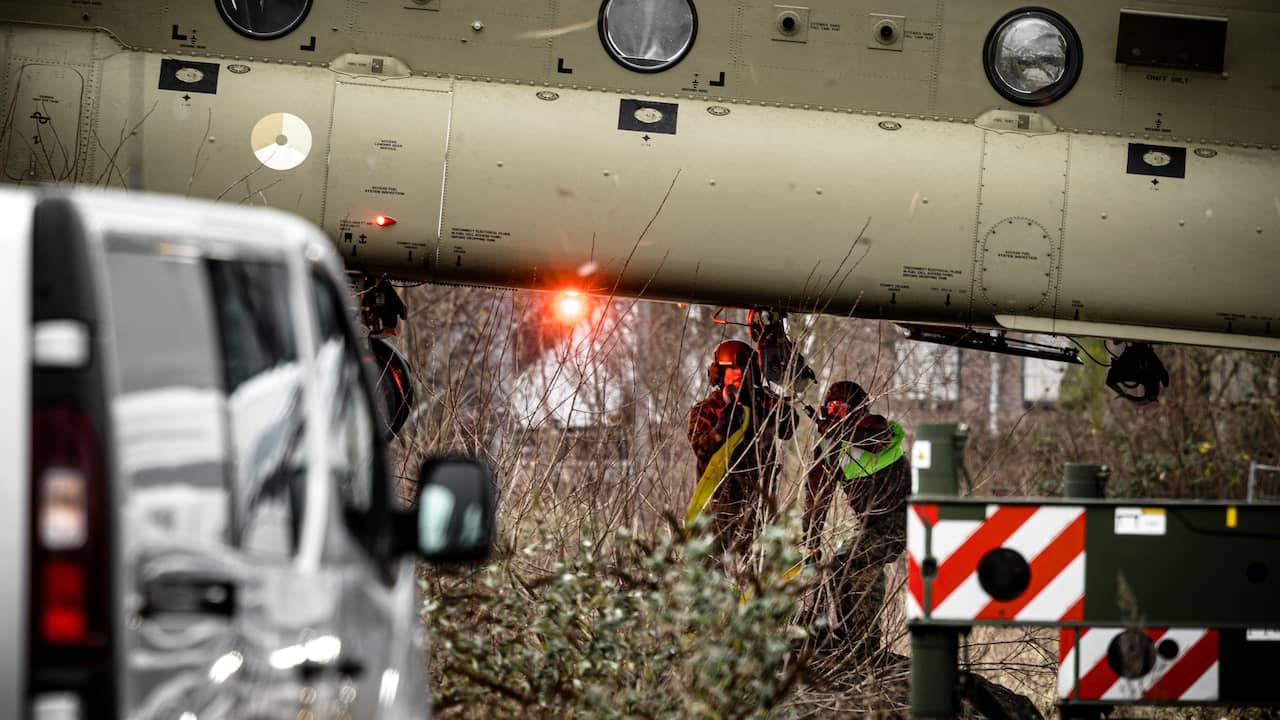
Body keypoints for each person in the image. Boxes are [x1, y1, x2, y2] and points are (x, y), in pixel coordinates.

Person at [802, 380, 910, 658]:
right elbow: (817, 495)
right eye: (830, 408)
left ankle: (862, 640)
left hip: (900, 520)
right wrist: (811, 537)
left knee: (849, 560)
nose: (834, 412)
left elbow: (875, 440)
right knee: (847, 566)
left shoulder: (875, 427)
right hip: (870, 525)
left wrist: (840, 431)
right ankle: (854, 635)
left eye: (841, 407)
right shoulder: (829, 448)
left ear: (856, 409)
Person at [686, 339, 797, 558]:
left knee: (759, 570)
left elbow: (788, 426)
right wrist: (725, 423)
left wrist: (760, 408)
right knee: (711, 570)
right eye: (731, 370)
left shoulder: (764, 400)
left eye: (742, 370)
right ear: (719, 374)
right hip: (718, 505)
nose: (737, 375)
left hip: (757, 504)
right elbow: (701, 450)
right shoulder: (707, 409)